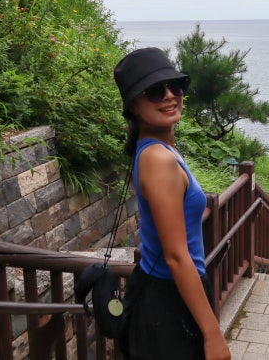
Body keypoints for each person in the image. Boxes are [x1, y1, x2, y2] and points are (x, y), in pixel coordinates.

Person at [113, 47, 231, 360]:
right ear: (134, 105)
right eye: (154, 91)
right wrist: (213, 335)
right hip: (168, 300)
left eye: (174, 86)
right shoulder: (158, 158)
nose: (168, 96)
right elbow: (177, 257)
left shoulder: (158, 147)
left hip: (163, 292)